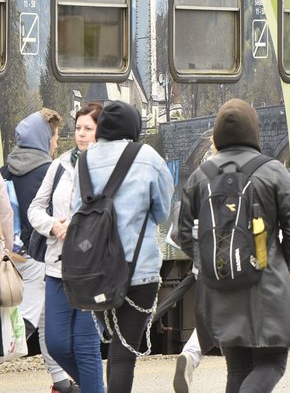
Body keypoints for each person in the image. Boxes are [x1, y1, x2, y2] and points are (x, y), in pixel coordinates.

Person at [179, 98, 290, 391]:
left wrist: (205, 259)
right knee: (272, 362)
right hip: (265, 282)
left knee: (237, 367)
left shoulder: (202, 175)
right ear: (253, 130)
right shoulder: (272, 170)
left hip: (219, 285)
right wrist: (287, 262)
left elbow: (182, 230)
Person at [72, 101, 173, 393]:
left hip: (96, 273)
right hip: (138, 273)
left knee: (116, 347)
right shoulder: (148, 157)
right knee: (123, 353)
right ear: (133, 127)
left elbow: (79, 209)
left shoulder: (84, 161)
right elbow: (163, 212)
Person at [28, 102, 104, 392]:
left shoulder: (107, 168)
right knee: (56, 344)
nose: (81, 135)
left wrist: (80, 229)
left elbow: (113, 215)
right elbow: (35, 208)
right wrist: (53, 225)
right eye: (78, 128)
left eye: (88, 129)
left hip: (91, 271)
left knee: (86, 347)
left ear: (100, 132)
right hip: (57, 267)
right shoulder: (60, 164)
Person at [2, 109, 77, 393]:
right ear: (43, 138)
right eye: (55, 136)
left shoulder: (7, 168)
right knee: (28, 320)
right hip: (37, 257)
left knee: (45, 320)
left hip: (10, 256)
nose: (57, 143)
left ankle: (61, 382)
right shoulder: (50, 171)